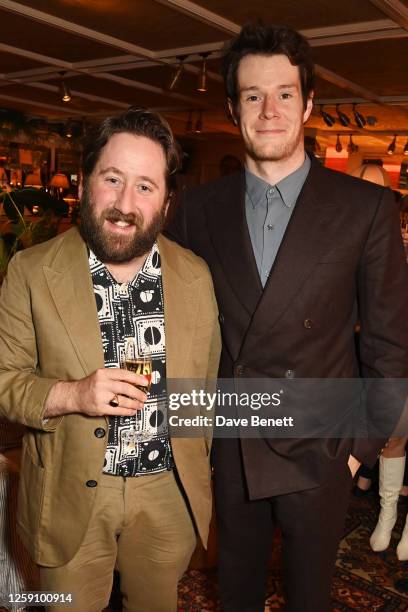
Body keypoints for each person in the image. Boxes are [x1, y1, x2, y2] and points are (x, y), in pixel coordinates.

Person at [165, 23, 408, 612]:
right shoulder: (196, 209)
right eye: (252, 96)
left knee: (309, 598)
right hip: (232, 438)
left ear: (307, 105)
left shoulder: (366, 208)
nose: (269, 110)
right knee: (237, 592)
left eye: (283, 94)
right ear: (233, 107)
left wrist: (357, 450)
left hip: (320, 447)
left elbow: (389, 345)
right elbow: (174, 325)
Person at [0, 108, 221, 612]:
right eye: (113, 179)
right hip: (70, 495)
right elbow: (3, 380)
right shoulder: (31, 271)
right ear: (86, 181)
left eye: (146, 186)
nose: (125, 204)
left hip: (168, 495)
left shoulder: (196, 275)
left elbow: (205, 387)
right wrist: (72, 394)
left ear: (167, 201)